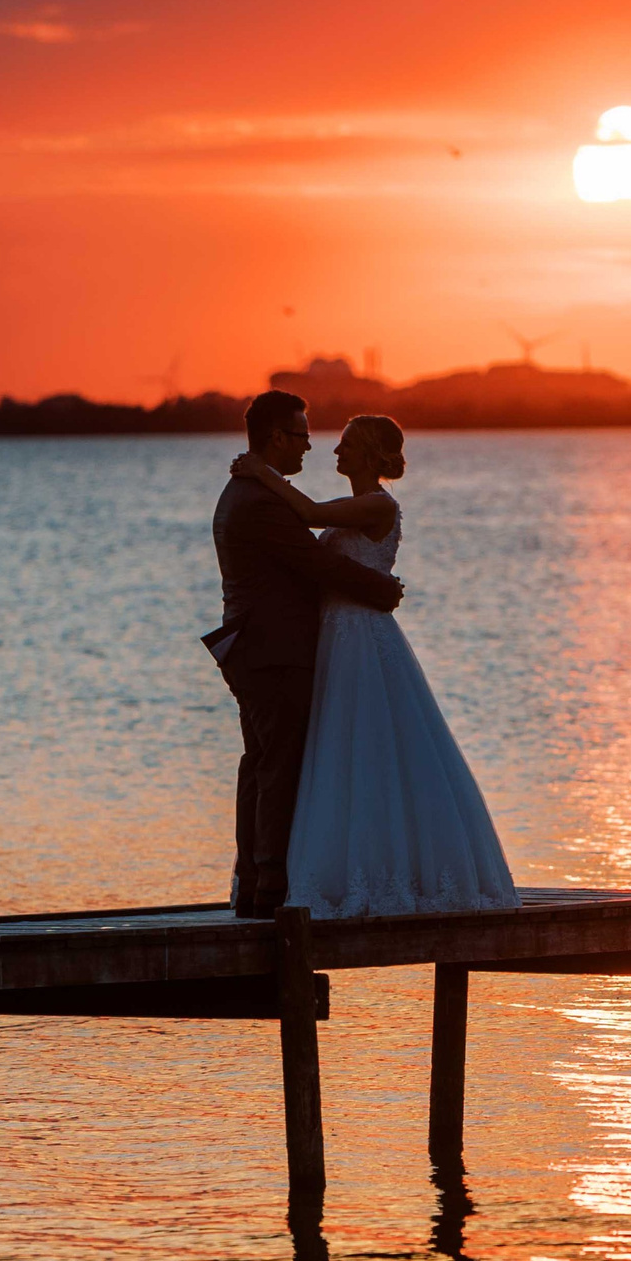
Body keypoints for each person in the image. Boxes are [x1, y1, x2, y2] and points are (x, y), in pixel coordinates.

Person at [228, 412, 520, 918]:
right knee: (337, 751)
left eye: (345, 445)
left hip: (362, 637)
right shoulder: (354, 505)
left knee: (370, 747)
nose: (334, 452)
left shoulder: (377, 505)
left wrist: (263, 473)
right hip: (334, 637)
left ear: (367, 453)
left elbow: (309, 512)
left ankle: (385, 871)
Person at [207, 391, 406, 917]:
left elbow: (314, 544)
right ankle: (270, 887)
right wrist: (383, 589)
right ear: (277, 437)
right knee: (277, 766)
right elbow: (318, 564)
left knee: (263, 763)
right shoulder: (260, 499)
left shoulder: (253, 490)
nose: (311, 447)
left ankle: (259, 882)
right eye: (302, 435)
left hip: (267, 646)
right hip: (272, 650)